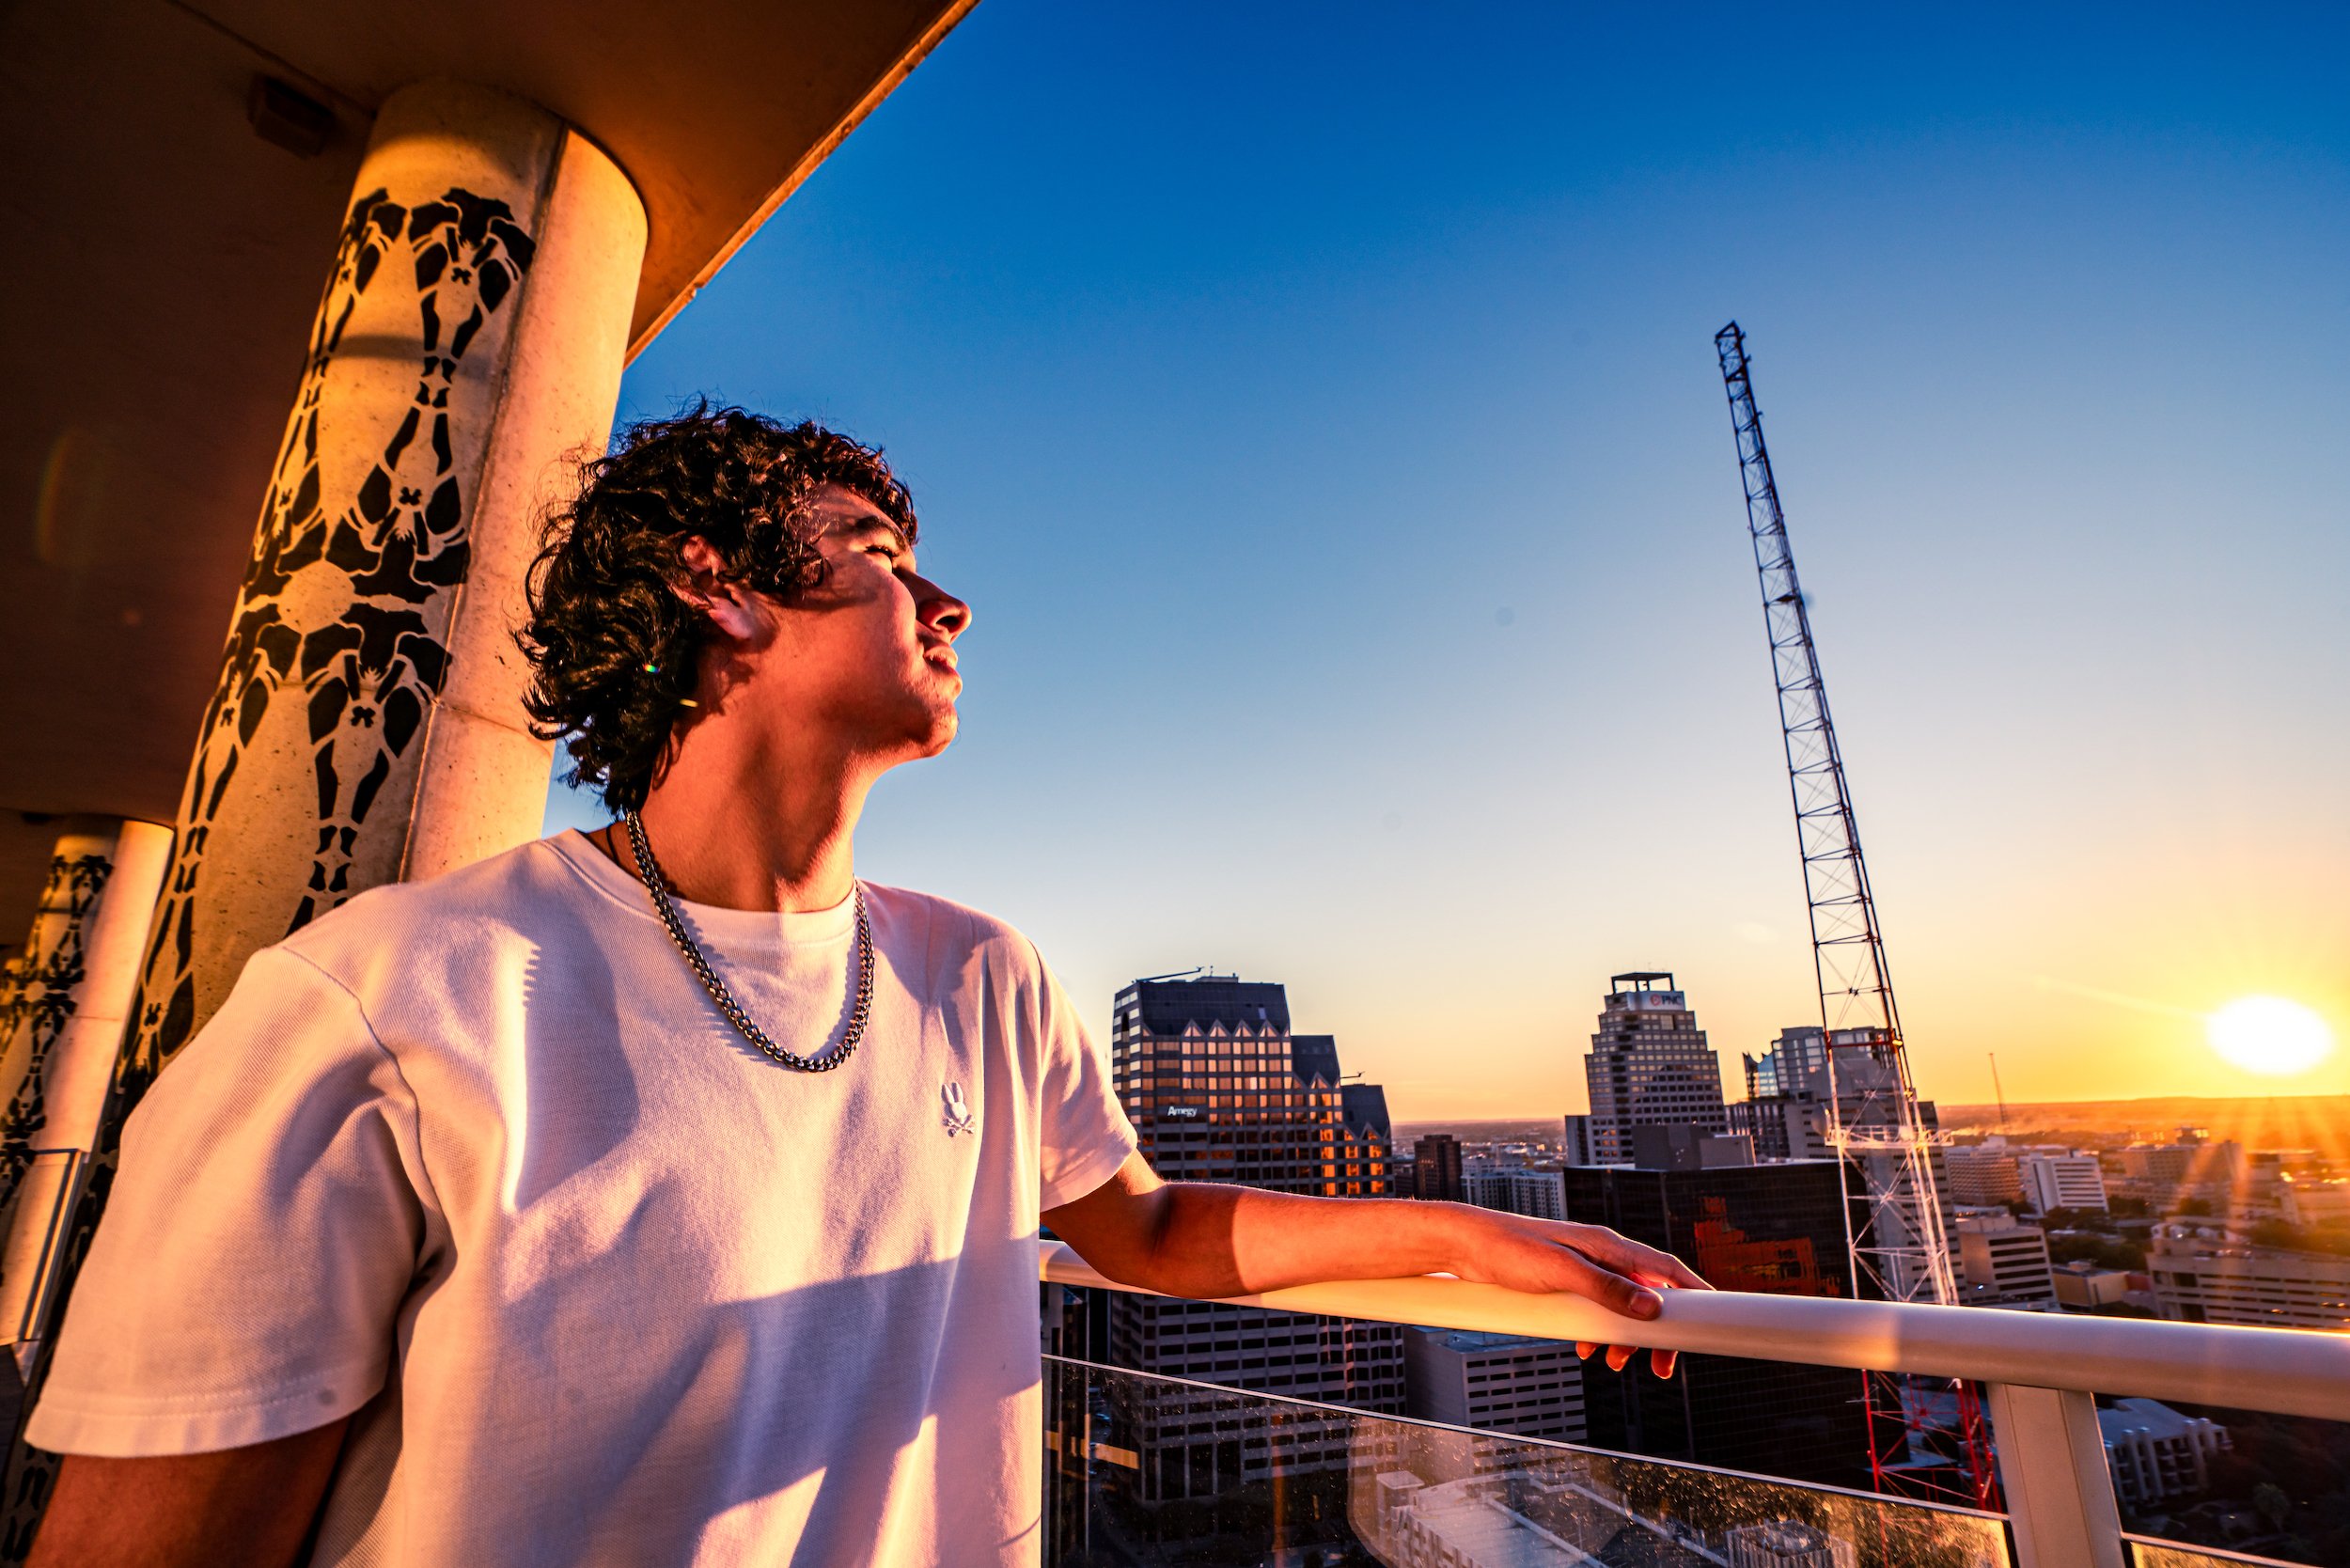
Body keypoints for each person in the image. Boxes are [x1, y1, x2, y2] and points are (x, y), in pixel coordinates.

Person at [27, 408, 1708, 1567]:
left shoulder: (982, 971)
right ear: (716, 585)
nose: (947, 594)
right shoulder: (391, 1001)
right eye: (877, 547)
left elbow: (1144, 1229)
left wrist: (1470, 1238)